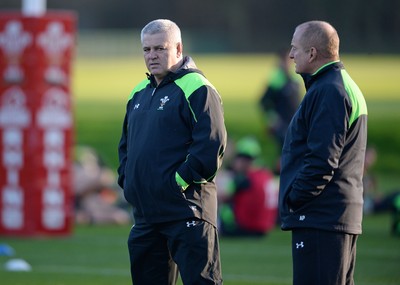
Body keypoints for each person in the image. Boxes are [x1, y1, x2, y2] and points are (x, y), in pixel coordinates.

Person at [117, 19, 227, 285]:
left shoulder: (197, 87)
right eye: (147, 50)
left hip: (186, 210)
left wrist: (176, 183)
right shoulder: (138, 92)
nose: (152, 56)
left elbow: (212, 145)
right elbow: (125, 146)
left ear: (178, 48)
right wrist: (129, 181)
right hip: (146, 214)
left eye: (159, 48)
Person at [278, 21, 368, 285]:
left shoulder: (328, 90)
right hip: (334, 216)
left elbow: (322, 161)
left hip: (322, 217)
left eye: (295, 48)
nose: (291, 55)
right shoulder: (338, 84)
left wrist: (295, 197)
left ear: (312, 53)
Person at [217, 136, 278, 237]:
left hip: (246, 226)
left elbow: (222, 198)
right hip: (264, 227)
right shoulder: (267, 175)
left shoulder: (244, 179)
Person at [259, 49, 302, 149]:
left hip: (294, 122)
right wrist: (272, 119)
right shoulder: (276, 78)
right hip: (282, 124)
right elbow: (264, 101)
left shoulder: (295, 76)